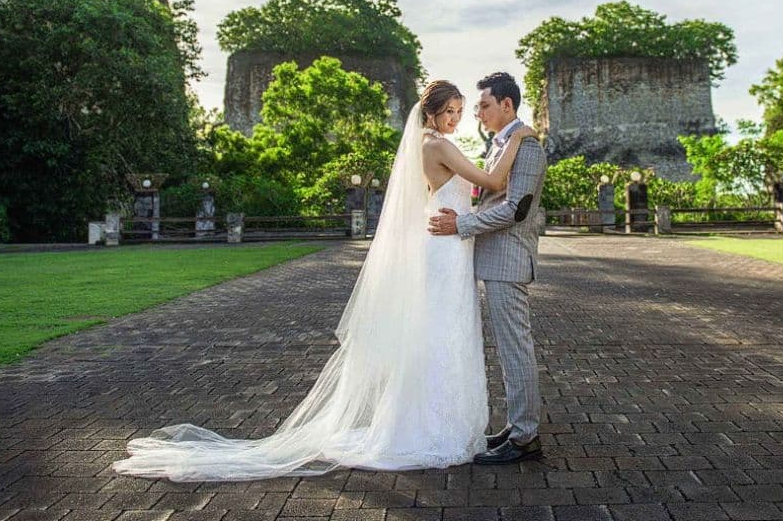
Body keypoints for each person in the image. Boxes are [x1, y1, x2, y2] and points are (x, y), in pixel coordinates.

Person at [111, 80, 535, 482]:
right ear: (430, 112)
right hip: (445, 249)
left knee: (444, 336)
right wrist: (519, 137)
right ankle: (434, 428)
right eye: (450, 112)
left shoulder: (433, 144)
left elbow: (476, 190)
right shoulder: (437, 144)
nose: (456, 119)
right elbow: (494, 182)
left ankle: (443, 423)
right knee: (442, 336)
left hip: (450, 247)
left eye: (461, 112)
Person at [429, 72, 547, 465]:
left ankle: (526, 436)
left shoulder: (526, 148)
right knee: (510, 349)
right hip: (495, 260)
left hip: (509, 260)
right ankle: (517, 427)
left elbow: (516, 209)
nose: (476, 113)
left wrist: (460, 225)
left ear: (506, 105)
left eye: (482, 105)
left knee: (516, 349)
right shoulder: (500, 146)